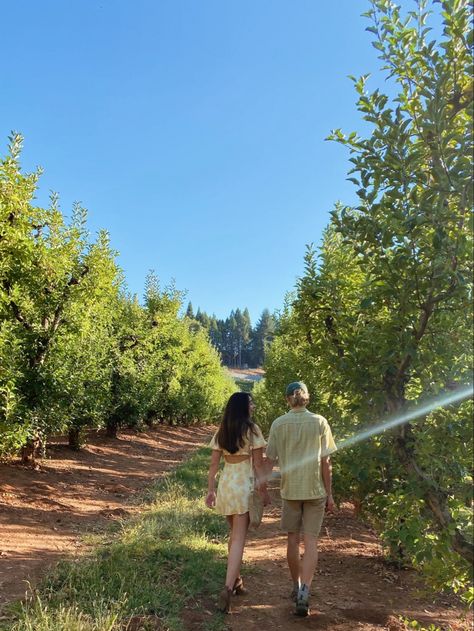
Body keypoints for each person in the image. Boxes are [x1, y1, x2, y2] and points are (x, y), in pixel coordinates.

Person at [265, 381, 337, 617]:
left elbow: (270, 459)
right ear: (307, 398)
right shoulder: (319, 422)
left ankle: (295, 586)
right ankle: (306, 590)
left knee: (293, 539)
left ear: (287, 399)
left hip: (290, 491)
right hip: (315, 491)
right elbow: (326, 463)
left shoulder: (278, 423)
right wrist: (330, 494)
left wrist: (262, 487)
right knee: (312, 541)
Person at [205, 391, 269, 613]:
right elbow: (259, 464)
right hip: (244, 485)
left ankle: (237, 581)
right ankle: (227, 587)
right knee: (239, 538)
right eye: (251, 403)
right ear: (242, 406)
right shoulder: (252, 430)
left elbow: (213, 466)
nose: (253, 406)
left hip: (227, 484)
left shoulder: (222, 430)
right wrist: (264, 489)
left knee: (234, 535)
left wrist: (211, 490)